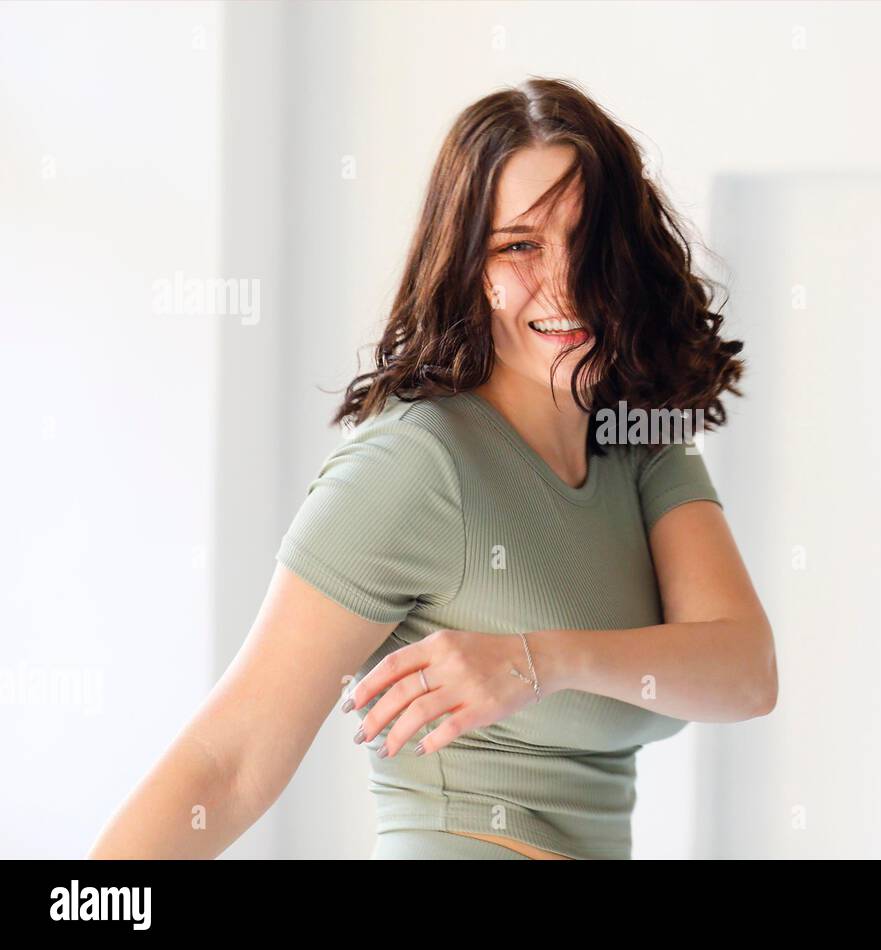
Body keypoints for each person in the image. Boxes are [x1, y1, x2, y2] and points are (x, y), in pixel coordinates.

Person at [89, 77, 776, 861]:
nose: (566, 284)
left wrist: (535, 661)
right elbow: (228, 764)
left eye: (589, 244)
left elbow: (745, 673)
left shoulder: (639, 442)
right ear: (470, 264)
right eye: (520, 245)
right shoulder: (418, 463)